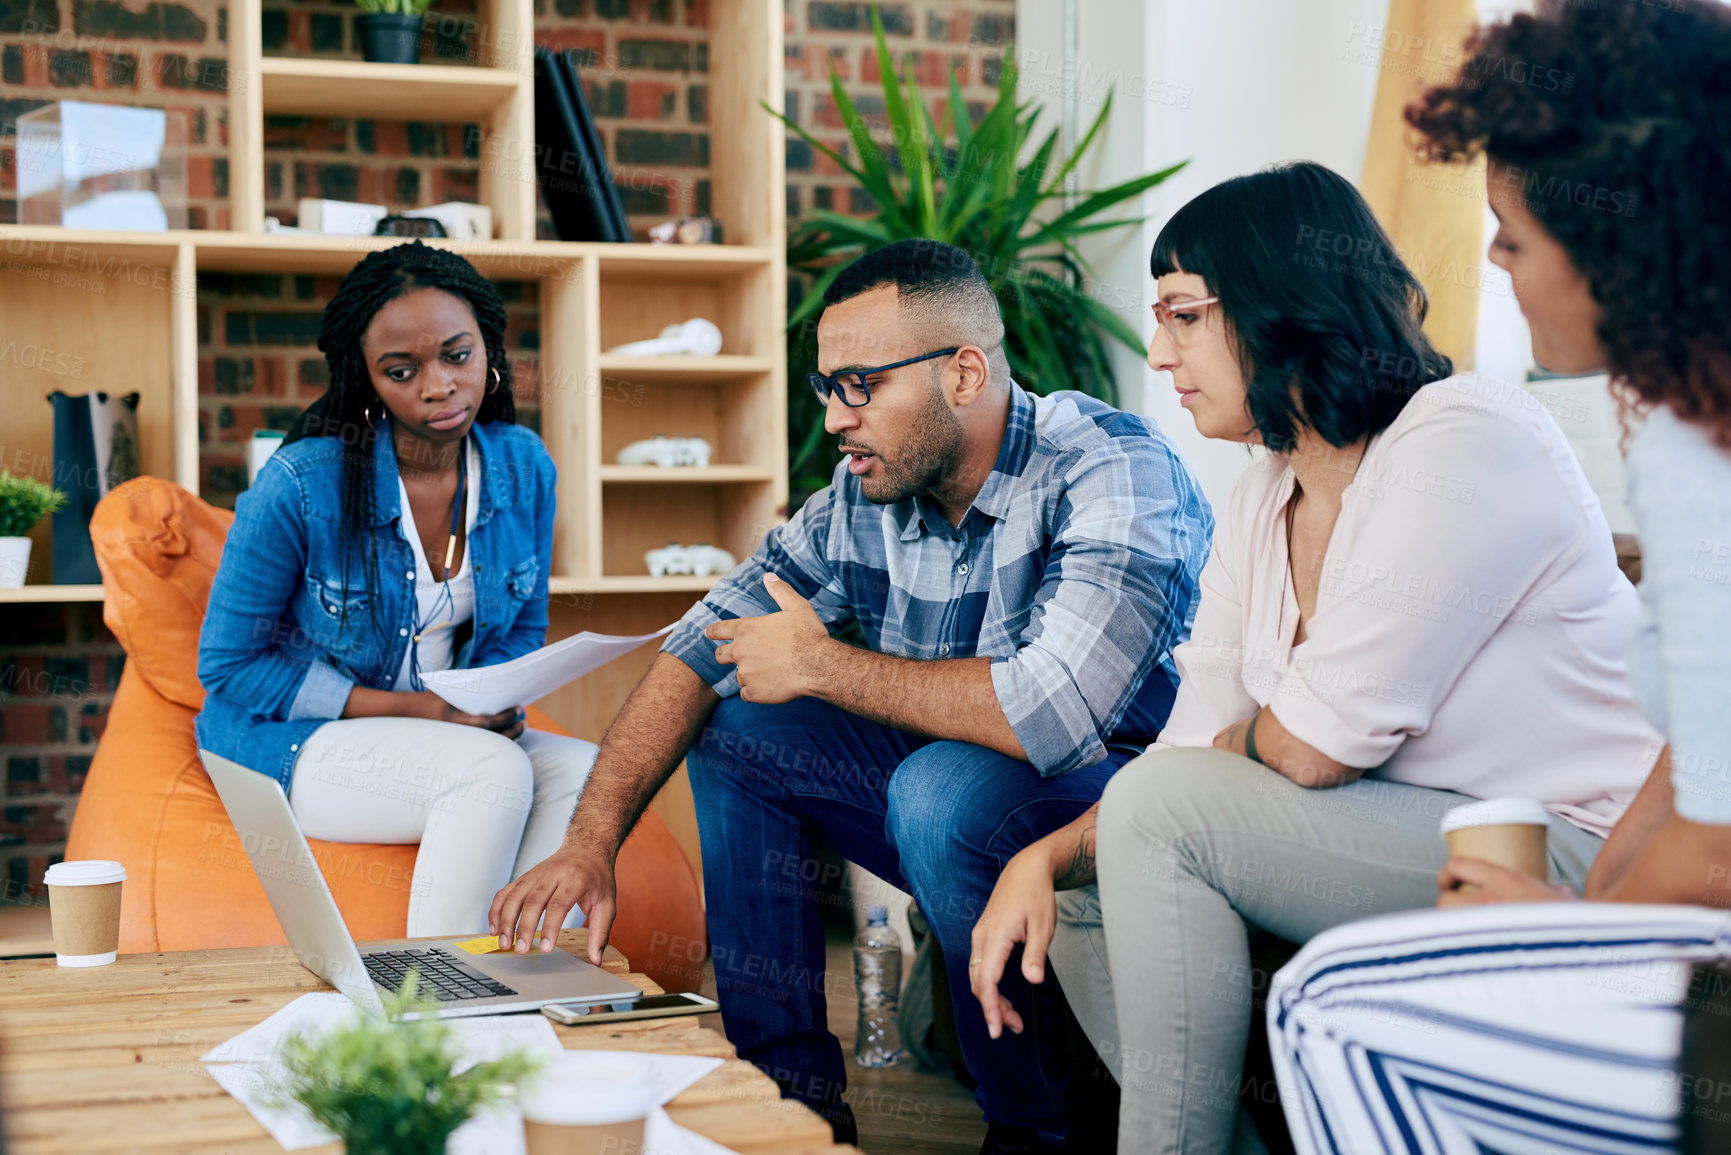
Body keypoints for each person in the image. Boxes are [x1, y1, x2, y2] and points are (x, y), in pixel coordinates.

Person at [966, 162, 1663, 1154]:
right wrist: (1040, 860)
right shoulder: (1263, 496)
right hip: (1407, 839)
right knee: (1080, 898)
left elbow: (1314, 748)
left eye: (1183, 315)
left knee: (1157, 818)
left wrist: (1235, 745)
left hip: (1578, 850)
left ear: (1277, 303)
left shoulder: (1464, 436)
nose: (1159, 354)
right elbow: (1186, 747)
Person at [489, 238, 1213, 1151]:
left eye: (860, 384)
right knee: (747, 723)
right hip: (944, 800)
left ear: (963, 372)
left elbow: (1051, 712)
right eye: (827, 386)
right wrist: (588, 845)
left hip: (1111, 804)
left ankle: (1041, 1130)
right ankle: (787, 1110)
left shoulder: (1110, 464)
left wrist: (825, 664)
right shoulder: (861, 496)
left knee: (939, 787)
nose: (835, 417)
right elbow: (696, 648)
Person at [1270, 2, 1731, 1150]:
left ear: (1621, 243)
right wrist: (1579, 921)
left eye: (1513, 236)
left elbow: (1718, 846)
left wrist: (1567, 940)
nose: (1492, 264)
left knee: (1333, 1005)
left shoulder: (1698, 453)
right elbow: (1691, 766)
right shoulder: (1682, 418)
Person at [196, 241, 598, 938]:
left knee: (589, 771)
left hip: (445, 730)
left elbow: (519, 630)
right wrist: (422, 710)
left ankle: (520, 975)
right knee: (490, 773)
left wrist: (488, 701)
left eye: (457, 355)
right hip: (291, 738)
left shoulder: (523, 466)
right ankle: (439, 1002)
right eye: (402, 370)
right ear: (366, 379)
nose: (438, 385)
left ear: (489, 351)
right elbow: (228, 665)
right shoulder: (301, 484)